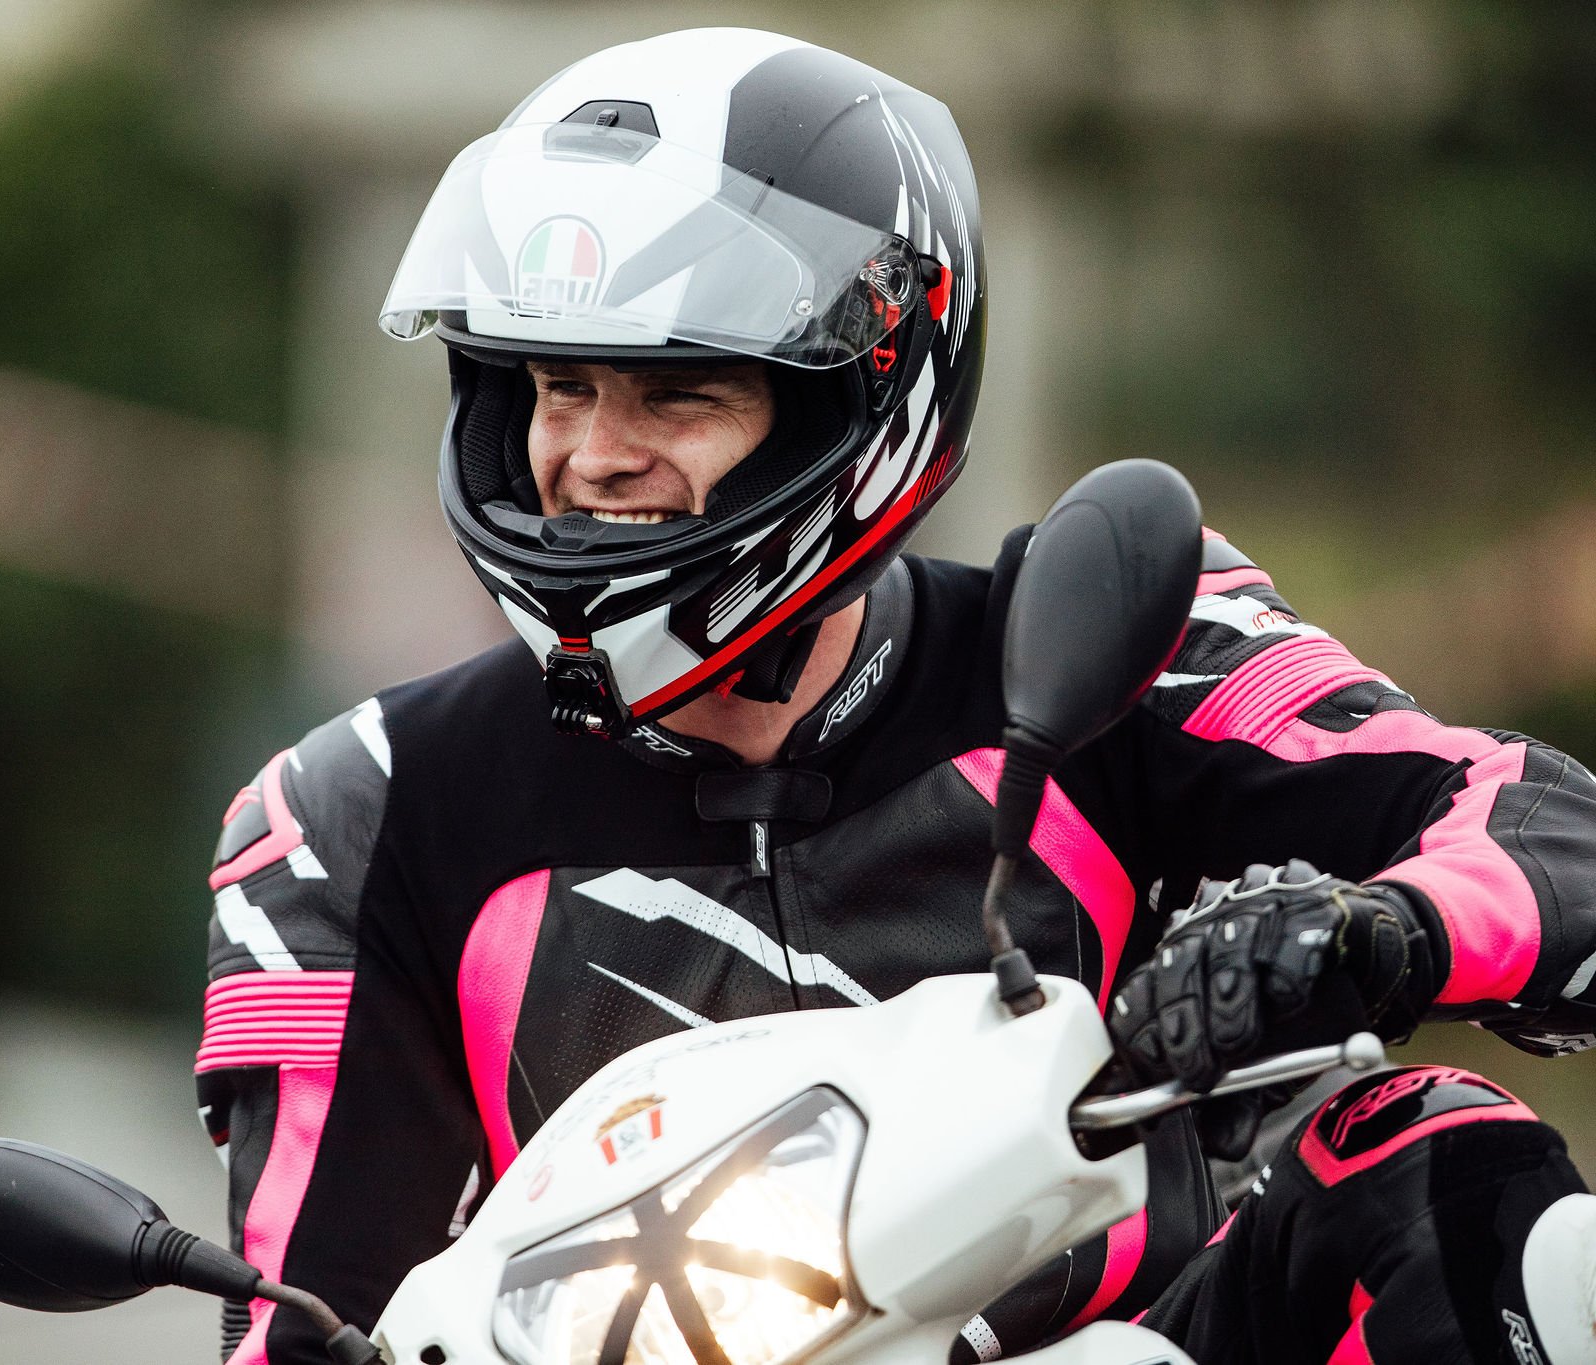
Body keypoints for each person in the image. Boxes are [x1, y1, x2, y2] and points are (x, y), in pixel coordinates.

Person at [193, 28, 1596, 1365]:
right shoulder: (351, 814)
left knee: (1447, 1170)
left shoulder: (1114, 644)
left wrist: (1384, 930)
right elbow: (305, 1317)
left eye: (675, 396)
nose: (593, 455)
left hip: (1126, 1338)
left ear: (851, 399)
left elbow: (1546, 829)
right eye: (559, 386)